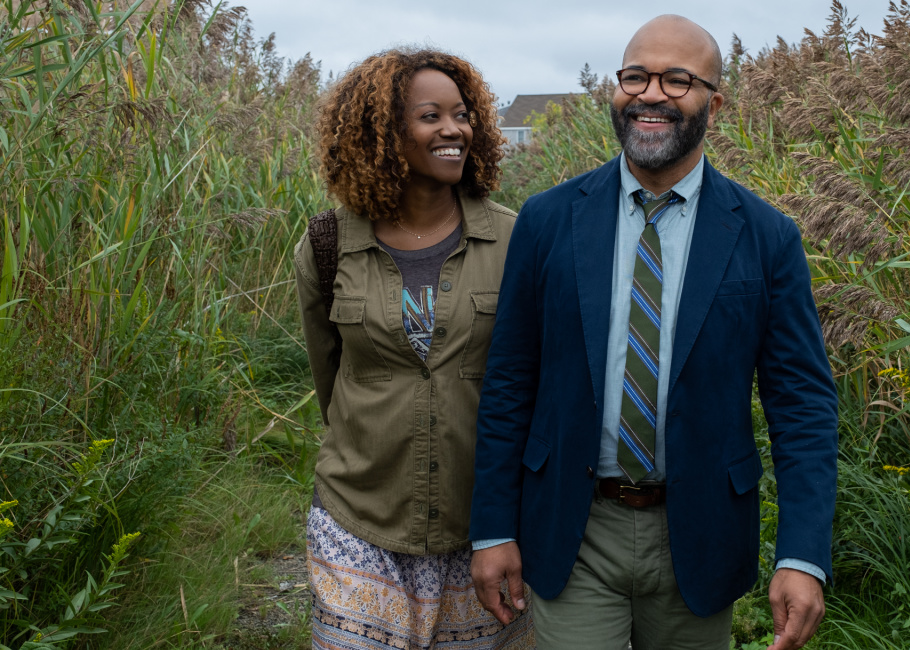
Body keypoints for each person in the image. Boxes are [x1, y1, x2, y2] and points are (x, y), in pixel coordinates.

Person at [468, 14, 839, 650]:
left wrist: (801, 556)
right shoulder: (548, 220)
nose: (650, 95)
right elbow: (509, 381)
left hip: (699, 532)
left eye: (677, 80)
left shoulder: (765, 236)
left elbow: (802, 405)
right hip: (574, 527)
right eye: (635, 76)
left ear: (713, 103)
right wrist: (492, 528)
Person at [294, 48, 535, 649]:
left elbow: (536, 380)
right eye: (431, 116)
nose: (453, 129)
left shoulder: (517, 238)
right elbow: (331, 378)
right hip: (358, 515)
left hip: (480, 526)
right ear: (381, 133)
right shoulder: (327, 244)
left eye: (462, 115)